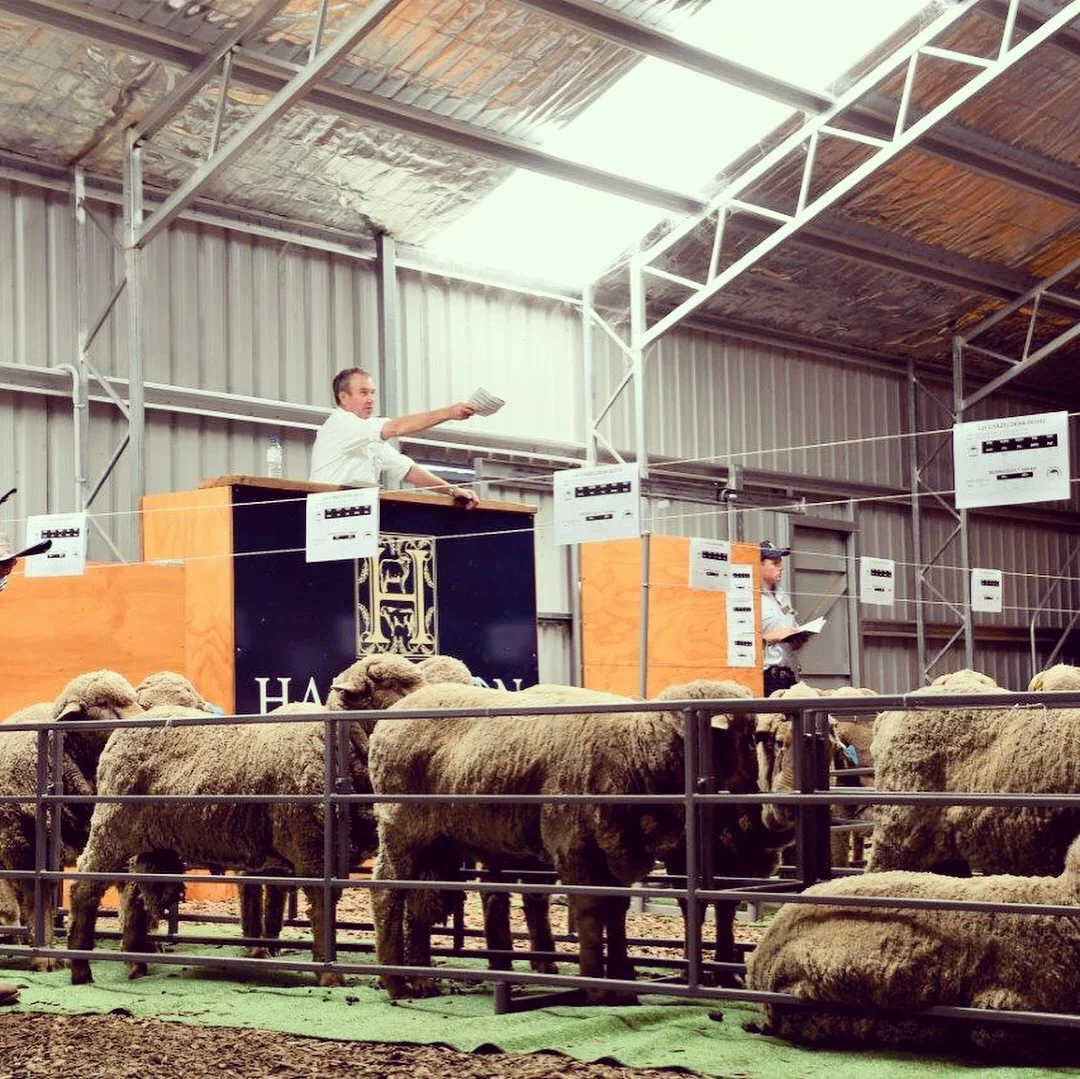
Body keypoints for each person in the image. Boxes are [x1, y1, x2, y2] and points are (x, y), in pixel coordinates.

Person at [309, 368, 480, 508]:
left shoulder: (366, 435)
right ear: (343, 397)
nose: (370, 399)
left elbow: (407, 469)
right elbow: (395, 427)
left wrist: (452, 490)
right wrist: (448, 413)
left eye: (372, 393)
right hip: (327, 509)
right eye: (363, 393)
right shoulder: (342, 424)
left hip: (356, 510)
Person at [759, 540, 809, 697]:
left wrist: (797, 640)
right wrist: (773, 637)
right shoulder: (749, 599)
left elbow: (790, 631)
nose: (781, 567)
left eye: (780, 562)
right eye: (774, 563)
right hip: (766, 678)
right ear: (758, 565)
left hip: (790, 676)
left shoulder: (783, 597)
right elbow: (740, 642)